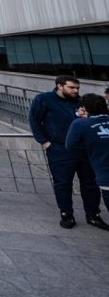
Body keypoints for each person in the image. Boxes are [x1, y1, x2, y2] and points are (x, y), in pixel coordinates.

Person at [28, 75, 107, 229]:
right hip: (59, 149)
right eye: (71, 87)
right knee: (63, 184)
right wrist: (45, 142)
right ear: (59, 86)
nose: (75, 91)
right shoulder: (44, 99)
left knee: (90, 184)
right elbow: (34, 120)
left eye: (77, 88)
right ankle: (67, 215)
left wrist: (87, 116)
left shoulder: (81, 100)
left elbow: (95, 119)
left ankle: (93, 215)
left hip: (84, 151)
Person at [66, 94, 109, 216]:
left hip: (104, 174)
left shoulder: (80, 124)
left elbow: (70, 145)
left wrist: (89, 153)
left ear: (85, 108)